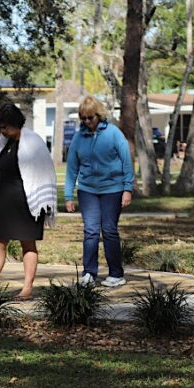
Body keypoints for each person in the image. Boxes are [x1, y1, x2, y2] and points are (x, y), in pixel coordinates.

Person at [0, 102, 57, 300]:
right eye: (0, 127)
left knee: (28, 244)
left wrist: (44, 203)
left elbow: (45, 173)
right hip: (2, 203)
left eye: (5, 127)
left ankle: (27, 288)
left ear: (15, 123)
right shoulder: (3, 144)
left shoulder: (34, 142)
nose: (2, 131)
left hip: (27, 204)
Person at [64, 96, 134, 288]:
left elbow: (127, 161)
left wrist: (127, 188)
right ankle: (89, 273)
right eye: (83, 119)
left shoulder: (113, 133)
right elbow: (72, 167)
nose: (87, 122)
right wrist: (68, 195)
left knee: (109, 230)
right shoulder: (79, 137)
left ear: (99, 115)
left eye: (90, 118)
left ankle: (116, 274)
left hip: (113, 189)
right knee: (91, 231)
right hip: (87, 190)